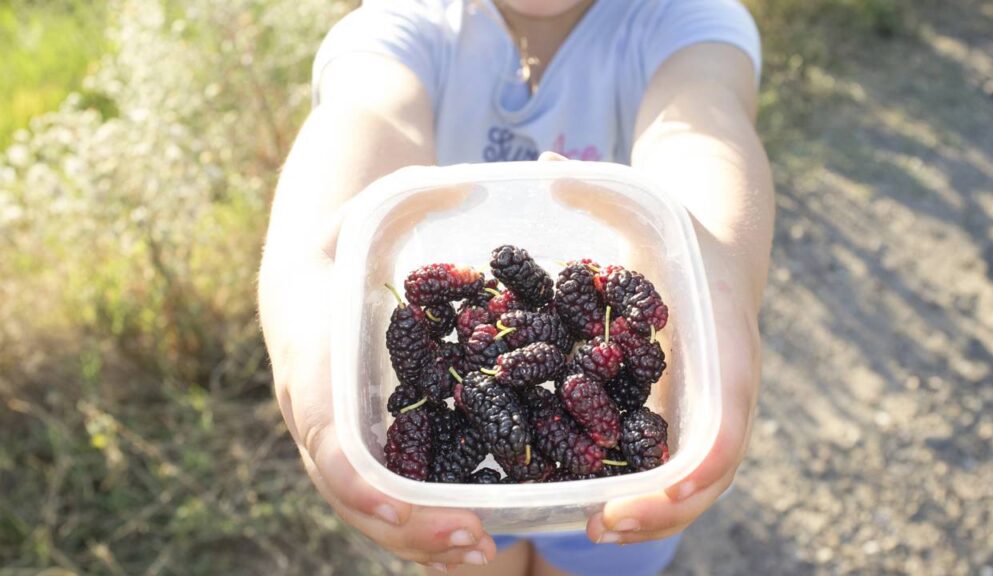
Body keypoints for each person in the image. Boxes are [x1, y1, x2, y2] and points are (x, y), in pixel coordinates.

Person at [258, 0, 774, 573]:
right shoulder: (403, 26)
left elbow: (704, 124)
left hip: (618, 495)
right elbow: (365, 113)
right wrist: (311, 266)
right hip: (461, 508)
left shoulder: (688, 22)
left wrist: (718, 259)